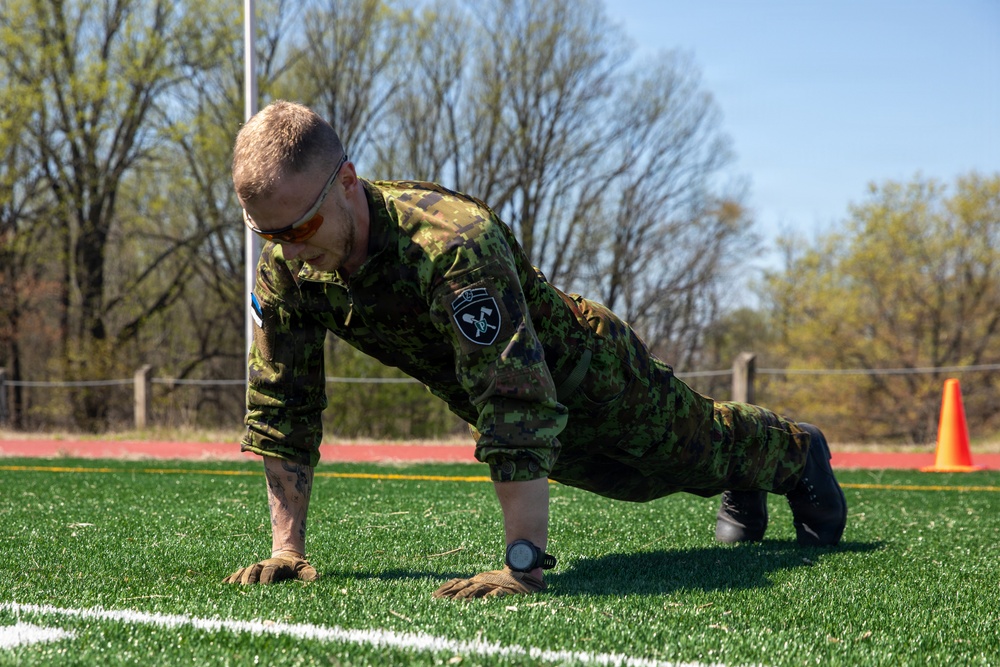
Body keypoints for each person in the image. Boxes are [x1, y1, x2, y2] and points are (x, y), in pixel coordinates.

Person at [223, 100, 847, 598]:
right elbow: (283, 406)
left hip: (590, 373)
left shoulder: (449, 244)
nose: (288, 249)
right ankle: (745, 475)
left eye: (300, 227)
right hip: (512, 399)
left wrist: (522, 566)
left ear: (348, 182)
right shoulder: (285, 266)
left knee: (691, 455)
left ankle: (795, 452)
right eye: (267, 234)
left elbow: (514, 396)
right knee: (634, 484)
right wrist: (287, 549)